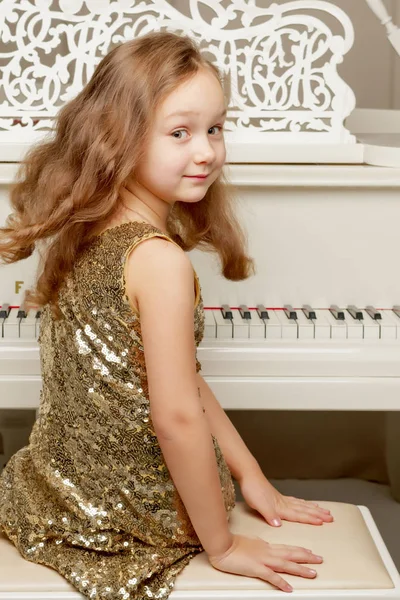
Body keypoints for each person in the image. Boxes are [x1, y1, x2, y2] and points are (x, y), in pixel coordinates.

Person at [0, 31, 333, 599]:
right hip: (125, 514)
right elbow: (176, 419)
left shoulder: (85, 231)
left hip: (55, 487)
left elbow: (176, 377)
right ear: (118, 139)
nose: (206, 151)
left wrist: (251, 475)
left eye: (215, 129)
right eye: (180, 133)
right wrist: (223, 545)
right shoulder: (159, 261)